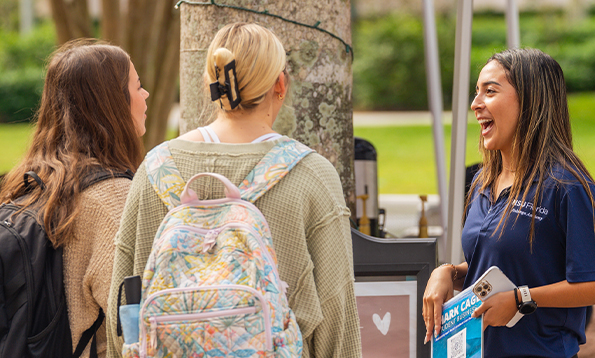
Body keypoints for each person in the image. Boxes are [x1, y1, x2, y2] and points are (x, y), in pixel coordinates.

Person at [106, 22, 361, 358]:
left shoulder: (155, 169)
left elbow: (121, 305)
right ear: (280, 85)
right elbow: (336, 314)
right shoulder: (311, 175)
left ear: (211, 83)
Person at [422, 48, 595, 358]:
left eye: (490, 91)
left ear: (532, 101)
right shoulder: (482, 182)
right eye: (476, 93)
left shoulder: (566, 186)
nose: (476, 104)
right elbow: (501, 260)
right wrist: (449, 272)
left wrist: (521, 299)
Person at [0, 39, 147, 357]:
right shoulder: (112, 197)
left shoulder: (31, 182)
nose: (145, 95)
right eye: (137, 86)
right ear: (113, 103)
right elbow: (132, 329)